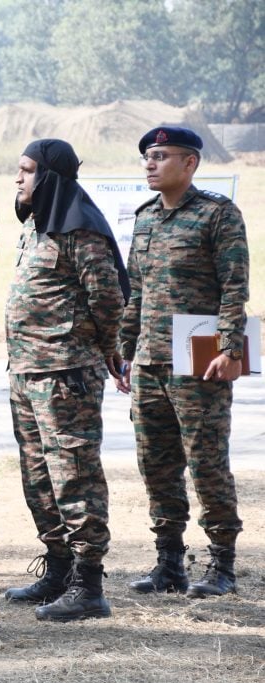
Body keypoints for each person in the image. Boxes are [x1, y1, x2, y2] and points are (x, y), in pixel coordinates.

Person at [118, 126, 249, 599]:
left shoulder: (217, 214)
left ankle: (221, 564)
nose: (150, 165)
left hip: (199, 359)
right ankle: (169, 562)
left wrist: (231, 349)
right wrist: (125, 350)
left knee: (206, 463)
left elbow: (234, 286)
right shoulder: (145, 218)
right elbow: (135, 291)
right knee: (156, 465)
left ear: (189, 162)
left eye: (161, 156)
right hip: (150, 361)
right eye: (147, 157)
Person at [2, 139, 128, 622]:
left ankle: (88, 585)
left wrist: (105, 350)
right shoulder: (36, 226)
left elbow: (108, 300)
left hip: (66, 374)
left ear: (50, 177)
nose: (18, 178)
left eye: (27, 170)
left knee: (74, 475)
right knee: (38, 477)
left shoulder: (80, 229)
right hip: (27, 371)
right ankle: (57, 569)